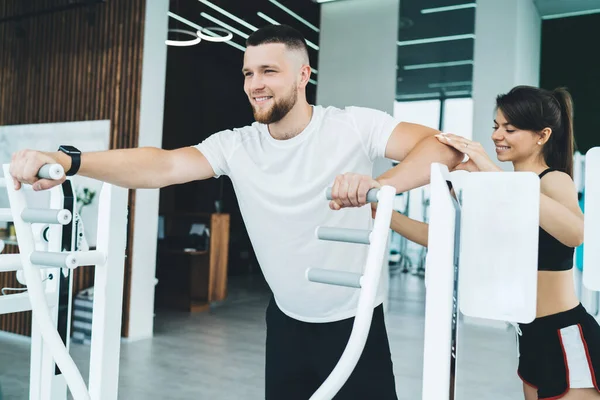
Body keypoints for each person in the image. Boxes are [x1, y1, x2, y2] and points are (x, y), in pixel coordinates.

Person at [8, 25, 463, 399]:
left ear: (304, 74)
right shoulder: (236, 145)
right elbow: (162, 164)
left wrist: (380, 186)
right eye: (248, 73)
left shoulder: (353, 126)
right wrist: (72, 161)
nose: (254, 84)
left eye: (269, 70)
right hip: (285, 321)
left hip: (357, 320)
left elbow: (444, 148)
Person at [379, 86, 600, 400]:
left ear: (542, 135)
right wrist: (382, 211)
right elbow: (444, 240)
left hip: (565, 334)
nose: (498, 136)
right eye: (496, 127)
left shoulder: (552, 180)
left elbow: (576, 233)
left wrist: (492, 173)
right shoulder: (499, 189)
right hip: (529, 335)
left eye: (510, 129)